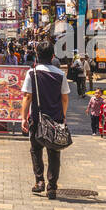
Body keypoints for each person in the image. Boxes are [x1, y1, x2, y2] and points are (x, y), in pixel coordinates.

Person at [21, 40, 70, 200]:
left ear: (37, 55)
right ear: (53, 56)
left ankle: (39, 181)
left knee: (36, 149)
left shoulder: (32, 73)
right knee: (54, 152)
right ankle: (52, 187)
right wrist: (63, 116)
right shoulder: (60, 74)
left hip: (37, 117)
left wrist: (23, 117)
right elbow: (64, 98)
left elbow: (27, 97)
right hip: (55, 118)